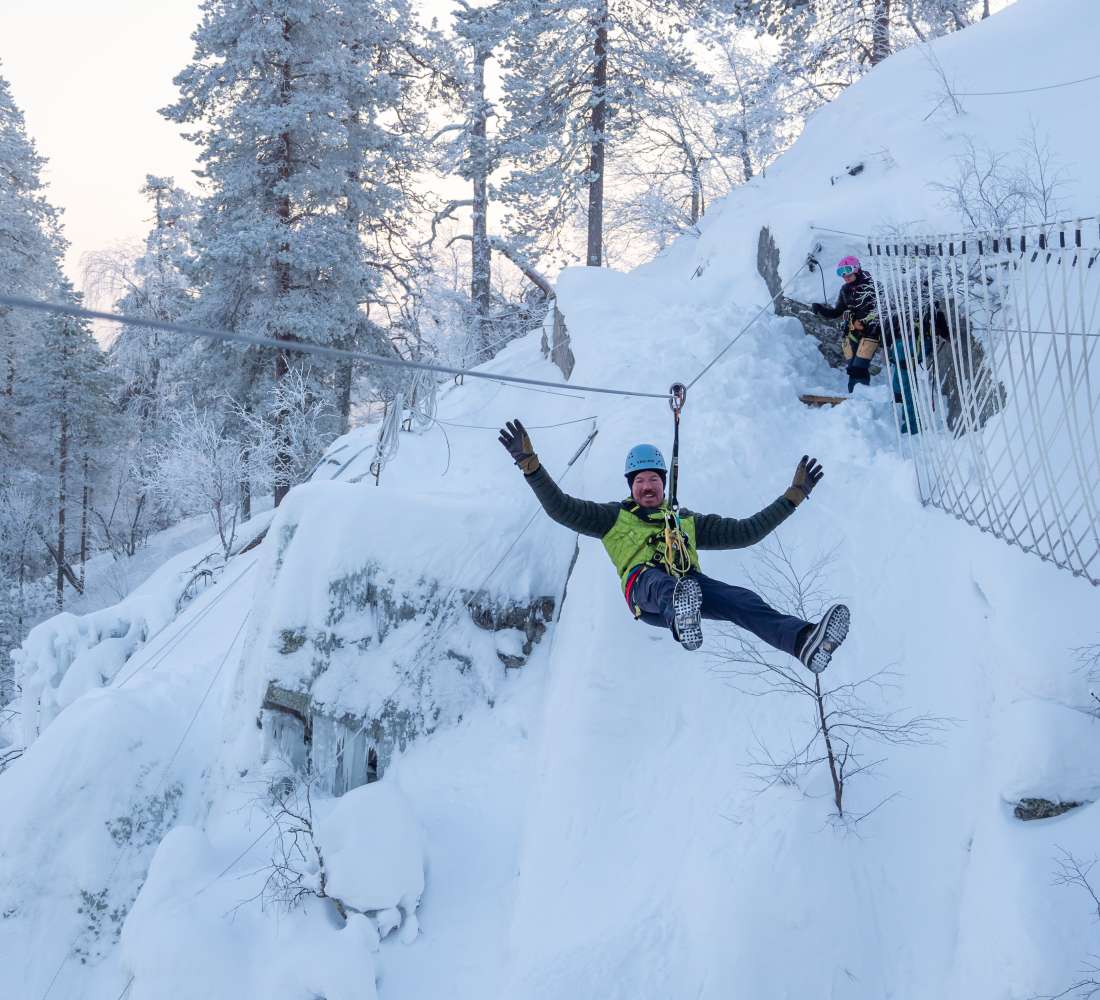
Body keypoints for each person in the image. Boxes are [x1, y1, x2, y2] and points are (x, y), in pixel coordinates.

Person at [498, 420, 850, 673]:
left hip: (690, 589)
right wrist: (531, 466)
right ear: (630, 487)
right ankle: (681, 618)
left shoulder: (685, 522)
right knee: (662, 582)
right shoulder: (612, 517)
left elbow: (748, 532)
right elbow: (561, 507)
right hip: (647, 594)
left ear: (663, 485)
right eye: (640, 481)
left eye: (653, 479)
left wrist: (794, 496)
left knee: (743, 601)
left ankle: (803, 641)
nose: (647, 486)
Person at [812, 255, 881, 394]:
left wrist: (863, 322)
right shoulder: (845, 290)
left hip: (870, 333)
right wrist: (821, 309)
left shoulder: (873, 286)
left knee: (858, 368)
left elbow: (881, 310)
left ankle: (861, 398)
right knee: (853, 369)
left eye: (847, 270)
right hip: (852, 334)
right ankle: (855, 397)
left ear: (856, 269)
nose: (845, 275)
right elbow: (837, 311)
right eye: (841, 272)